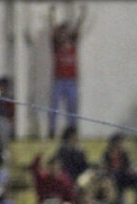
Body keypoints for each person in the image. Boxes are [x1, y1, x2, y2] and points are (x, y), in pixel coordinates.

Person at [48, 4, 86, 139]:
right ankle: (51, 131)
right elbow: (52, 29)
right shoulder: (56, 45)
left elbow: (78, 27)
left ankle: (72, 131)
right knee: (54, 107)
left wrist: (82, 13)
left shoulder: (73, 43)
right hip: (59, 79)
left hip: (71, 80)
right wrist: (52, 14)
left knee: (72, 107)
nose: (63, 34)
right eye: (61, 32)